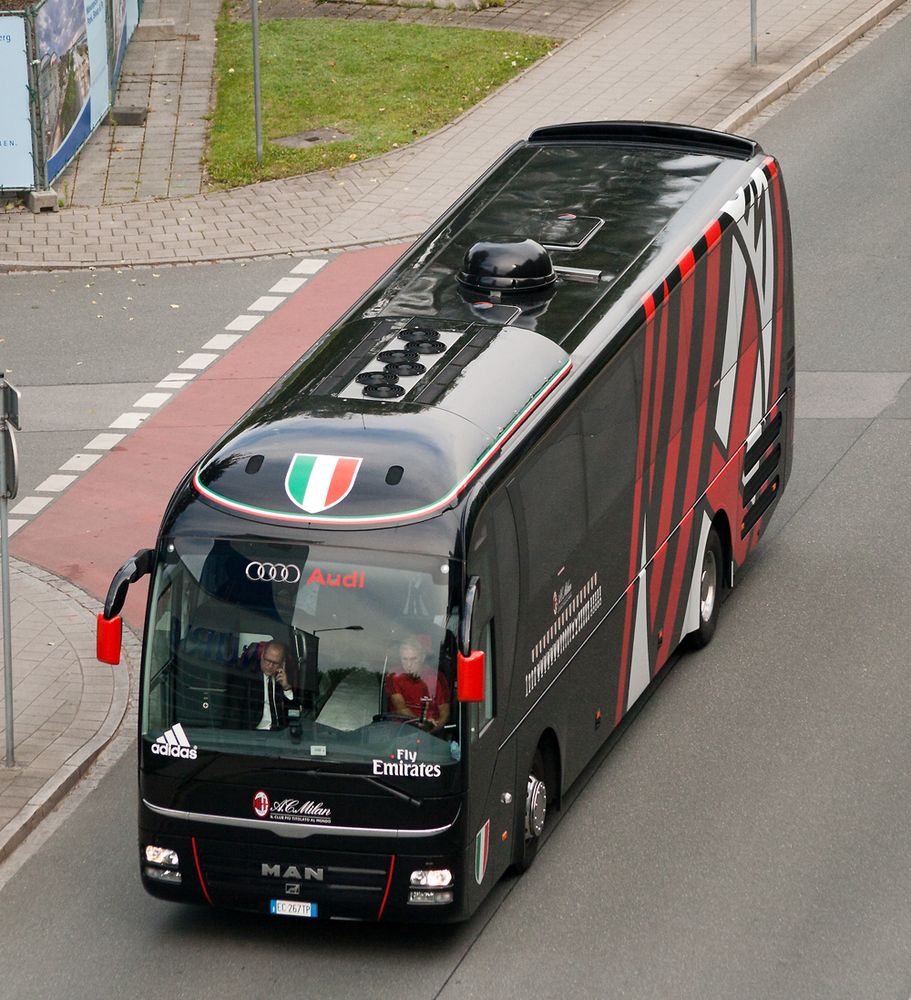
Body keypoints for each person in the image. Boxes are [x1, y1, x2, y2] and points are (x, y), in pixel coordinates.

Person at [384, 636, 450, 734]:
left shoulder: (436, 677)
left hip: (432, 732)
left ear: (422, 658)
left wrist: (434, 727)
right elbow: (401, 708)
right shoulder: (394, 676)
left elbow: (445, 711)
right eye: (404, 659)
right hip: (401, 731)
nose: (409, 664)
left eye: (413, 659)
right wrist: (422, 724)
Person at [228, 639, 298, 730]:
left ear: (282, 663)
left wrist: (286, 688)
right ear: (262, 655)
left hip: (279, 735)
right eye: (267, 660)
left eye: (275, 663)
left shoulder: (283, 679)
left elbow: (295, 715)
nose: (270, 666)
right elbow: (234, 713)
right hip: (254, 734)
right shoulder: (247, 678)